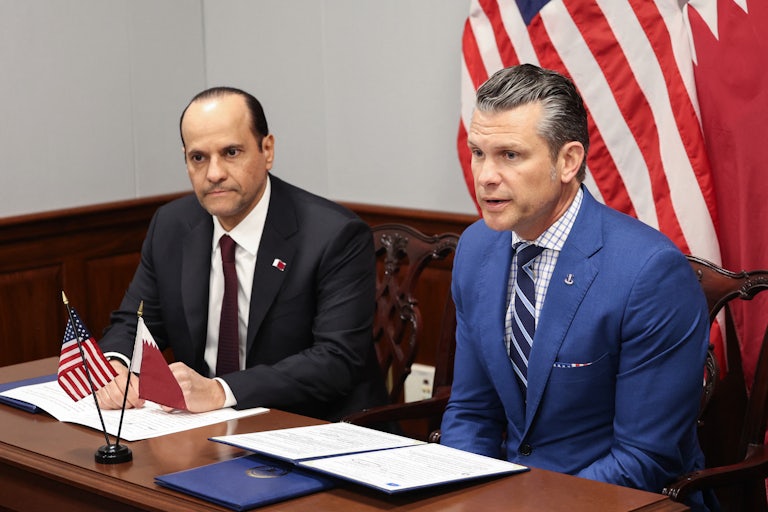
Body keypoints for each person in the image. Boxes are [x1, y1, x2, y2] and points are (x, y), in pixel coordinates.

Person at [439, 64, 710, 510]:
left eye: (510, 155)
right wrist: (469, 496)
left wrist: (526, 504)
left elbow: (645, 459)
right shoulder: (476, 248)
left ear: (568, 161)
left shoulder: (649, 272)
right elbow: (471, 412)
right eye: (478, 152)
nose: (485, 176)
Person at [96, 86, 386, 421]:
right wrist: (117, 365)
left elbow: (335, 361)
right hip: (205, 430)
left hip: (313, 426)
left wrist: (220, 391)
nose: (214, 173)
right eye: (198, 158)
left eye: (231, 152)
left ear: (267, 150)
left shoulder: (334, 235)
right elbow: (135, 320)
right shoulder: (173, 225)